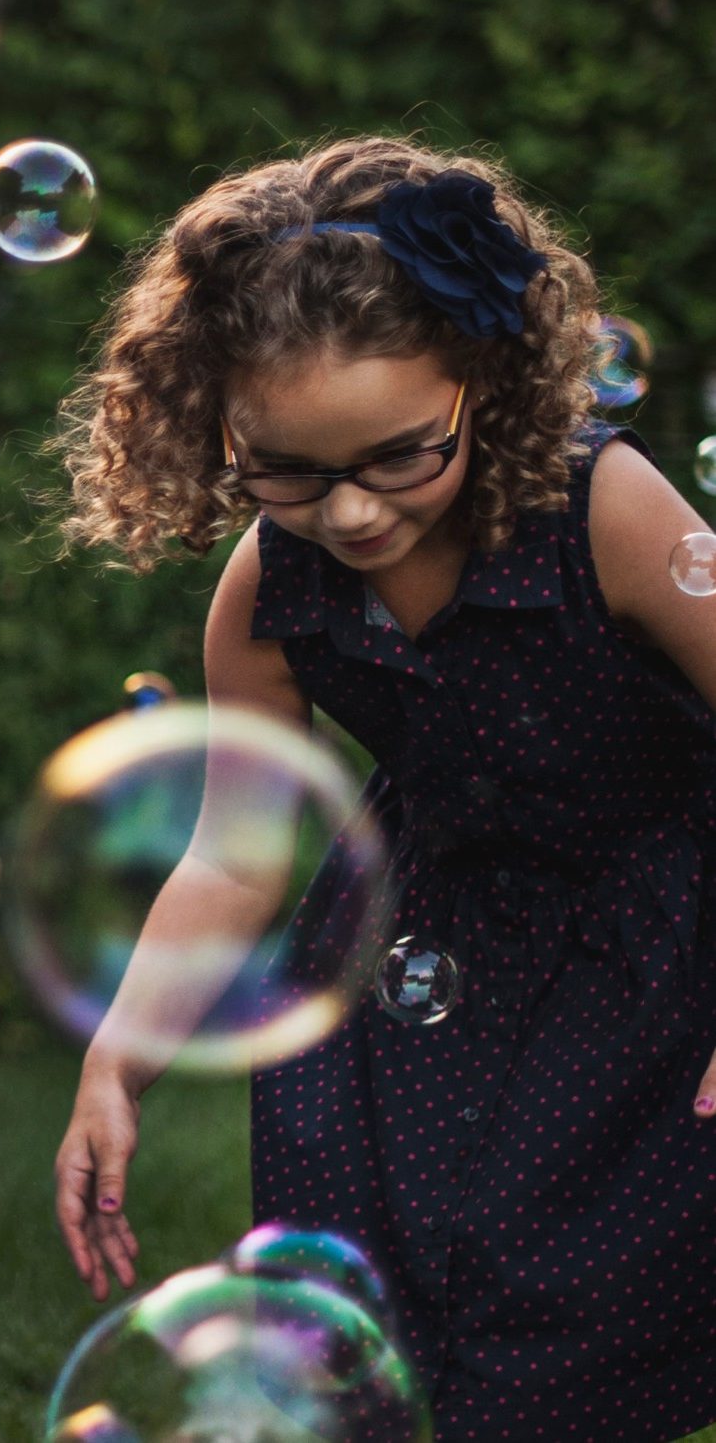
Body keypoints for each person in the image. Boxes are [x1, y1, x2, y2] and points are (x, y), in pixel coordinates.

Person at [48, 135, 716, 1440]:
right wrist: (116, 1062)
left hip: (652, 933)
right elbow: (236, 857)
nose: (350, 514)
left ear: (487, 381)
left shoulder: (608, 509)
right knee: (367, 1322)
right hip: (420, 946)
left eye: (401, 456)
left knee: (559, 1311)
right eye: (287, 469)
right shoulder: (267, 589)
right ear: (216, 425)